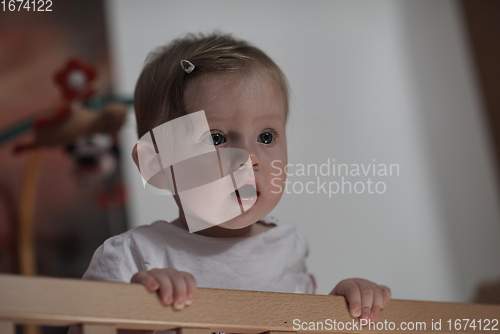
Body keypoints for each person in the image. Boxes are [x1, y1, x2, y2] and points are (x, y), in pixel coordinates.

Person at [68, 32, 391, 334]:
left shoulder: (288, 246)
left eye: (266, 136)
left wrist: (340, 308)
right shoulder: (135, 255)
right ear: (158, 165)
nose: (249, 157)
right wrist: (130, 314)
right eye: (217, 137)